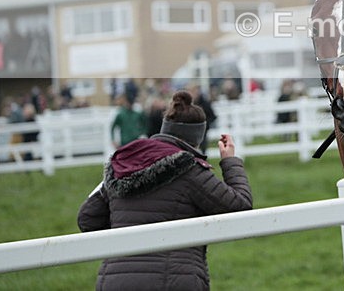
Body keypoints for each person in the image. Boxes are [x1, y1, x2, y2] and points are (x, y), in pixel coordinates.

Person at [77, 90, 252, 291]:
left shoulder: (123, 164)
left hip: (115, 281)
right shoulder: (190, 169)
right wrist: (229, 161)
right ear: (196, 138)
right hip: (173, 281)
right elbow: (240, 206)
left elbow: (87, 219)